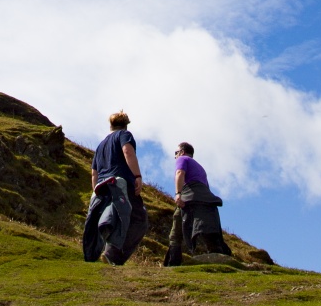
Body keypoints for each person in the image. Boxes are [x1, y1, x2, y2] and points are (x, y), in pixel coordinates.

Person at [82, 112, 149, 265]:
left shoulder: (101, 145)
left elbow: (94, 173)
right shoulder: (124, 135)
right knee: (139, 220)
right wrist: (137, 176)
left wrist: (96, 191)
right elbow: (128, 152)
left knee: (112, 217)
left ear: (110, 125)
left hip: (102, 187)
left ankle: (98, 252)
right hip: (121, 184)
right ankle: (113, 255)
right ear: (126, 124)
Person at [164, 143, 232, 265]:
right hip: (205, 199)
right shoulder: (201, 168)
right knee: (206, 229)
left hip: (190, 196)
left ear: (182, 152)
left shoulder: (182, 159)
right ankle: (220, 259)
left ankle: (173, 264)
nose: (175, 156)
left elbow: (180, 173)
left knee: (176, 232)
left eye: (176, 153)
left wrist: (178, 193)